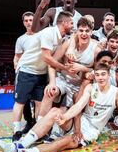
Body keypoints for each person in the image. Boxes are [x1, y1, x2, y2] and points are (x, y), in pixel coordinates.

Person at [0, 64, 118, 152]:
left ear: (109, 75)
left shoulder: (116, 93)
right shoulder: (90, 87)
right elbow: (78, 106)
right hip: (81, 121)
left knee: (65, 141)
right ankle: (20, 145)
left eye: (103, 74)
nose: (100, 77)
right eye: (97, 75)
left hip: (92, 131)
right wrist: (65, 117)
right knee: (54, 112)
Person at [12, 11, 74, 141]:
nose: (73, 26)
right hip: (27, 70)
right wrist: (64, 68)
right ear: (65, 23)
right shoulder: (49, 32)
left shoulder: (61, 38)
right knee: (20, 102)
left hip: (41, 73)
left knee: (40, 104)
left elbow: (53, 61)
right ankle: (16, 132)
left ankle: (40, 132)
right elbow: (46, 57)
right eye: (71, 23)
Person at [36, 17, 101, 121]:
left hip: (80, 85)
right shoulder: (68, 43)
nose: (84, 33)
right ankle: (39, 124)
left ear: (91, 32)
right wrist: (52, 82)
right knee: (49, 91)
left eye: (87, 31)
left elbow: (100, 72)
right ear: (77, 31)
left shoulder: (96, 49)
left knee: (67, 116)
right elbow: (51, 63)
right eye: (81, 30)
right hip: (64, 80)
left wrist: (83, 68)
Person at [13, 11, 36, 135]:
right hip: (25, 73)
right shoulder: (21, 39)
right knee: (23, 100)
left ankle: (39, 125)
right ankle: (29, 122)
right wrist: (16, 66)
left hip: (40, 72)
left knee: (39, 101)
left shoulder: (41, 35)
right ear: (23, 22)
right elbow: (17, 57)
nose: (28, 22)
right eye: (26, 20)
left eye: (31, 20)